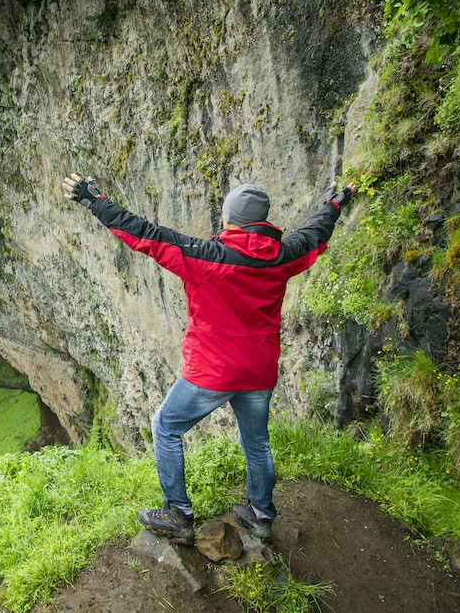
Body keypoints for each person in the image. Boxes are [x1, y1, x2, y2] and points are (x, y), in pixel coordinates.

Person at [61, 172, 354, 544]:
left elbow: (145, 234)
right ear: (263, 222)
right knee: (257, 443)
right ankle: (261, 514)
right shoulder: (283, 256)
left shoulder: (206, 257)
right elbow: (315, 233)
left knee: (166, 427)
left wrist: (93, 201)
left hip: (213, 369)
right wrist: (333, 204)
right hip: (259, 368)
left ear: (230, 220)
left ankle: (177, 514)